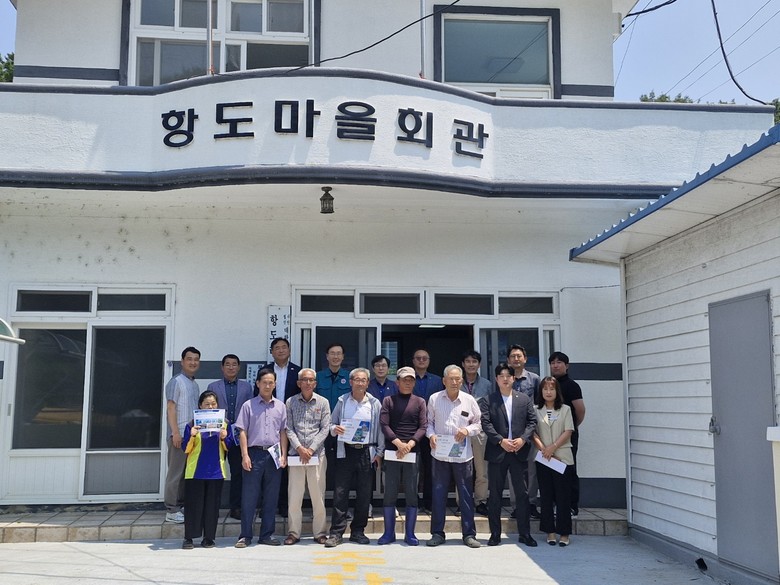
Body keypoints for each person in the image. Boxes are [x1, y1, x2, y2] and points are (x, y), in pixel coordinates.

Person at [479, 363, 538, 547]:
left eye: (508, 376)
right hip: (498, 452)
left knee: (522, 495)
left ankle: (525, 534)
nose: (505, 379)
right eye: (501, 376)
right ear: (496, 379)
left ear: (513, 378)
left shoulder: (524, 399)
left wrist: (523, 439)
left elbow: (532, 421)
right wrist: (500, 441)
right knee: (495, 495)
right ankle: (495, 534)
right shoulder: (488, 400)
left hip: (519, 452)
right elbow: (486, 423)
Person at [325, 368, 384, 547]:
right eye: (356, 379)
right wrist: (335, 429)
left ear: (367, 383)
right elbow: (331, 423)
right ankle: (336, 532)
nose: (360, 383)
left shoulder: (374, 403)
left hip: (367, 452)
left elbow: (380, 429)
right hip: (345, 451)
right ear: (350, 382)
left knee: (364, 493)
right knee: (340, 492)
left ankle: (358, 531)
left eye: (363, 380)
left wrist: (379, 452)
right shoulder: (342, 401)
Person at [425, 365, 482, 548]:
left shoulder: (469, 400)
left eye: (458, 379)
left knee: (465, 495)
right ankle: (437, 533)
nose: (455, 382)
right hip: (440, 455)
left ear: (462, 381)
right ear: (444, 381)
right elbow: (428, 423)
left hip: (462, 457)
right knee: (438, 494)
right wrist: (431, 435)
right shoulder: (434, 399)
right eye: (451, 378)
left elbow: (479, 423)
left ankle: (469, 534)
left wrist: (467, 430)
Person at [234, 369, 288, 548]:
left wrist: (283, 455)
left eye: (271, 382)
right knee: (249, 497)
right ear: (257, 383)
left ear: (275, 384)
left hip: (274, 454)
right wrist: (245, 455)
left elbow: (283, 432)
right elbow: (242, 431)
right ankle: (245, 535)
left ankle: (267, 534)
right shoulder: (248, 405)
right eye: (264, 382)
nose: (267, 385)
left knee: (271, 497)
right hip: (254, 454)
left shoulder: (280, 406)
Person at [378, 366, 427, 545]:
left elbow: (423, 426)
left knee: (412, 492)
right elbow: (384, 424)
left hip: (412, 452)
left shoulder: (420, 402)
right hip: (393, 451)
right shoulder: (388, 401)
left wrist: (410, 444)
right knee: (390, 492)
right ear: (397, 382)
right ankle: (388, 533)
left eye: (411, 380)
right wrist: (398, 443)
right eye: (404, 379)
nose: (407, 383)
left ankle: (410, 534)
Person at [181, 390, 234, 549]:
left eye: (213, 404)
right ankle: (189, 538)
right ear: (200, 406)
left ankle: (209, 538)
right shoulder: (192, 424)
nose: (210, 407)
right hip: (195, 471)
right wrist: (191, 435)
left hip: (216, 471)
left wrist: (224, 437)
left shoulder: (224, 424)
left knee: (212, 507)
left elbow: (229, 446)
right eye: (207, 404)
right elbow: (185, 448)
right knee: (193, 506)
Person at [284, 368, 331, 545]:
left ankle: (319, 532)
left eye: (311, 380)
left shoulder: (323, 402)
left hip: (317, 455)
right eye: (304, 380)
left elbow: (325, 428)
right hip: (296, 455)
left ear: (315, 383)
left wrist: (310, 449)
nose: (308, 383)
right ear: (299, 383)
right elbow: (288, 428)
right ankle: (293, 532)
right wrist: (299, 448)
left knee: (318, 496)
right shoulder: (290, 402)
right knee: (294, 496)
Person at [207, 354, 253, 521]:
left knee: (237, 472)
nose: (231, 367)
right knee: (215, 470)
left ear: (239, 367)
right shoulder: (213, 386)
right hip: (218, 434)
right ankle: (212, 507)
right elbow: (209, 409)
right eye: (228, 364)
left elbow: (250, 410)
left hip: (239, 434)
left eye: (234, 364)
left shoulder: (246, 387)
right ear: (222, 367)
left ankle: (236, 507)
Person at [533, 376, 575, 547]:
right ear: (541, 391)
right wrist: (545, 449)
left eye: (552, 389)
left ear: (557, 391)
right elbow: (533, 432)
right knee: (546, 496)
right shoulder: (535, 410)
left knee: (563, 497)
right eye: (545, 389)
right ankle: (549, 531)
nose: (548, 392)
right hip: (543, 458)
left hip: (562, 457)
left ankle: (564, 533)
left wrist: (553, 447)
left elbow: (568, 431)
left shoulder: (565, 409)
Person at [164, 346, 201, 524]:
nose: (193, 362)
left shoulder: (194, 384)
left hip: (192, 437)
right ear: (182, 361)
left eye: (196, 359)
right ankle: (171, 509)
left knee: (187, 473)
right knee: (175, 474)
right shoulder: (176, 381)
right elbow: (170, 408)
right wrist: (175, 433)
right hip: (179, 436)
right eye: (189, 359)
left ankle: (181, 506)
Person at [548, 351, 585, 517]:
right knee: (552, 469)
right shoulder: (549, 385)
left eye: (559, 362)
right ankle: (555, 504)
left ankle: (571, 506)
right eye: (552, 363)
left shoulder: (572, 386)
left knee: (568, 469)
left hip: (567, 436)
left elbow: (580, 411)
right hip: (549, 436)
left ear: (567, 365)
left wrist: (571, 428)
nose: (555, 365)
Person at [508, 345, 542, 519]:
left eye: (519, 356)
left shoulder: (534, 379)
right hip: (511, 431)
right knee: (514, 470)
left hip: (531, 431)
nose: (516, 359)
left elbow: (539, 405)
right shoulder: (506, 378)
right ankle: (516, 505)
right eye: (513, 356)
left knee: (532, 469)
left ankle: (531, 503)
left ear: (525, 359)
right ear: (508, 360)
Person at [268, 337, 301, 518]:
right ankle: (268, 505)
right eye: (277, 348)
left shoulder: (297, 371)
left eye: (284, 347)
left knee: (287, 464)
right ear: (272, 352)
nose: (280, 350)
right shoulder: (265, 371)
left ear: (289, 350)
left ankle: (285, 505)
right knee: (271, 464)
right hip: (270, 423)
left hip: (291, 423)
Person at [316, 343, 351, 490]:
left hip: (343, 429)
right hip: (321, 428)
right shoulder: (318, 377)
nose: (335, 356)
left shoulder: (349, 377)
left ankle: (340, 499)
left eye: (338, 353)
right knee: (321, 466)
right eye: (332, 353)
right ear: (327, 356)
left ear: (343, 357)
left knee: (342, 467)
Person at [460, 350, 491, 516]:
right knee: (461, 468)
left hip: (480, 431)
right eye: (468, 361)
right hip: (460, 432)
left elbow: (491, 408)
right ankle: (462, 502)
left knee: (481, 469)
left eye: (474, 361)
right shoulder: (456, 382)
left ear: (479, 364)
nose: (471, 364)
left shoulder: (487, 385)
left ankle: (481, 501)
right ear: (463, 364)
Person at [412, 348, 442, 513]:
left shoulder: (437, 380)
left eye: (425, 358)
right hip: (412, 429)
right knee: (413, 468)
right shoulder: (408, 379)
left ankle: (429, 502)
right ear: (413, 361)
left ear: (429, 361)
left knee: (431, 467)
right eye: (418, 358)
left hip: (432, 429)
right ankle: (414, 501)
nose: (421, 360)